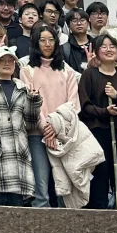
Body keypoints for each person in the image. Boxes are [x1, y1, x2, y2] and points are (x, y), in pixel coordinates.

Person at [0, 46, 44, 205]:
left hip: (18, 154)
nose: (7, 64)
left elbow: (31, 124)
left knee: (17, 214)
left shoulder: (23, 89)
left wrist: (33, 102)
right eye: (2, 61)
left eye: (10, 60)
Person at [20, 24, 81, 208]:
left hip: (63, 134)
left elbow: (73, 104)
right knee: (42, 185)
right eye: (42, 40)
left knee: (64, 183)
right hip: (38, 134)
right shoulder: (27, 70)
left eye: (51, 40)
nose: (47, 44)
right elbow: (30, 102)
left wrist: (55, 128)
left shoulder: (67, 70)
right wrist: (46, 129)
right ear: (36, 44)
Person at [79, 32, 117, 208]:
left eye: (112, 46)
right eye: (104, 46)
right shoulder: (90, 75)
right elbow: (84, 107)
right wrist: (105, 111)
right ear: (96, 52)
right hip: (98, 132)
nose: (109, 49)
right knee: (100, 176)